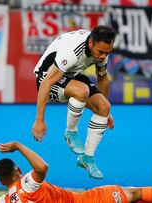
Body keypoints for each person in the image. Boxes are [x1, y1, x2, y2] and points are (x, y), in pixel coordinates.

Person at [32, 25, 116, 179]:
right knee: (82, 91)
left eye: (107, 53)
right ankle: (71, 132)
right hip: (46, 77)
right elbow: (46, 82)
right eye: (101, 52)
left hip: (71, 75)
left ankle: (87, 159)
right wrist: (39, 119)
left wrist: (106, 114)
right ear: (91, 43)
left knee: (104, 107)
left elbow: (103, 78)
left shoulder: (101, 50)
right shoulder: (72, 51)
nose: (104, 56)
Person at [0, 141, 152, 203]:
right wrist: (19, 146)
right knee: (132, 193)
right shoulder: (26, 184)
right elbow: (42, 167)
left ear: (1, 181)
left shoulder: (5, 200)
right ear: (18, 170)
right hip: (88, 201)